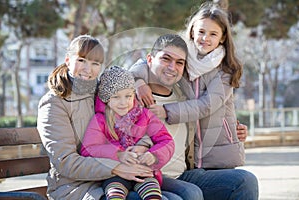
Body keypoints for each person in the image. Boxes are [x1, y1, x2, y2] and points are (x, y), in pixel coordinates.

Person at [37, 35, 180, 200]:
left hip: (118, 173)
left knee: (189, 193)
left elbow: (139, 124)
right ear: (68, 60)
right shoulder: (54, 103)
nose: (88, 69)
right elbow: (65, 162)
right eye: (82, 60)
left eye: (95, 63)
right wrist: (116, 166)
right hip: (75, 184)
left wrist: (142, 147)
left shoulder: (107, 91)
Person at [129, 33, 258, 199]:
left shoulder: (185, 95)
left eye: (179, 63)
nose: (172, 67)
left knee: (245, 180)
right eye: (166, 59)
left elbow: (209, 109)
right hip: (145, 177)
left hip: (184, 175)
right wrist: (138, 82)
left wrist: (235, 129)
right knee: (190, 194)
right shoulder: (129, 97)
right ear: (149, 59)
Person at [133, 2, 245, 169]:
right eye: (201, 32)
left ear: (222, 37)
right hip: (189, 155)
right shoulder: (182, 58)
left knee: (242, 181)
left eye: (213, 34)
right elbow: (149, 62)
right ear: (192, 31)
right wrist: (138, 81)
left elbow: (206, 105)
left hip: (219, 153)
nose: (205, 38)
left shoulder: (225, 70)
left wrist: (167, 111)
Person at [80, 66, 176, 200]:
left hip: (143, 170)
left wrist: (154, 156)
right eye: (116, 97)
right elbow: (89, 148)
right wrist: (118, 154)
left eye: (128, 96)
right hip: (115, 174)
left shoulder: (145, 115)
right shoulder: (100, 120)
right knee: (115, 194)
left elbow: (166, 141)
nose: (123, 102)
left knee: (152, 194)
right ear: (107, 99)